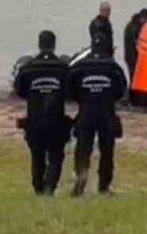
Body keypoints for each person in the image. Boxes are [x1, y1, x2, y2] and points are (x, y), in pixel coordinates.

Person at [12, 30, 72, 195]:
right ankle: (49, 187)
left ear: (39, 45)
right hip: (56, 121)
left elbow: (19, 91)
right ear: (54, 45)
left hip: (34, 120)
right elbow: (70, 92)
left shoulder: (28, 68)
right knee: (56, 156)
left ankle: (38, 188)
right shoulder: (63, 68)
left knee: (37, 156)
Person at [68, 33, 127, 197]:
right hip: (106, 113)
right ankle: (103, 187)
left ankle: (80, 183)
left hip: (86, 112)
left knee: (83, 149)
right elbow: (121, 90)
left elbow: (69, 89)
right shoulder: (113, 66)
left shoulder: (80, 66)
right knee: (107, 151)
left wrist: (82, 98)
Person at [122, 8, 147, 81]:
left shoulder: (134, 24)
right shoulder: (135, 27)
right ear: (143, 17)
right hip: (132, 57)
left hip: (132, 56)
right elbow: (137, 41)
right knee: (135, 77)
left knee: (135, 77)